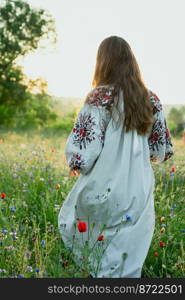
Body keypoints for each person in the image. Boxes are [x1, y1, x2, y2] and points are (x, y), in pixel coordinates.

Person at [58, 36, 174, 278]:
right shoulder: (151, 99)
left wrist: (77, 163)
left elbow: (85, 149)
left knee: (90, 238)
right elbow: (159, 149)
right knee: (127, 257)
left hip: (105, 184)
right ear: (131, 61)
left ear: (103, 62)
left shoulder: (98, 97)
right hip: (138, 188)